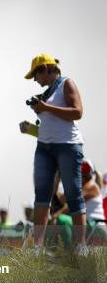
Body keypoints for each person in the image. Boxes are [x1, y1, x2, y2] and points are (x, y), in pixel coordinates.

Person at [23, 54, 87, 255]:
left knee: (73, 193)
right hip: (44, 147)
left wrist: (45, 107)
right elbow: (51, 124)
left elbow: (77, 112)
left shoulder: (67, 83)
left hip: (67, 146)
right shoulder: (47, 92)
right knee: (41, 195)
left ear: (46, 69)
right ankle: (37, 248)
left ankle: (81, 246)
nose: (35, 80)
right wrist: (32, 126)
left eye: (35, 75)